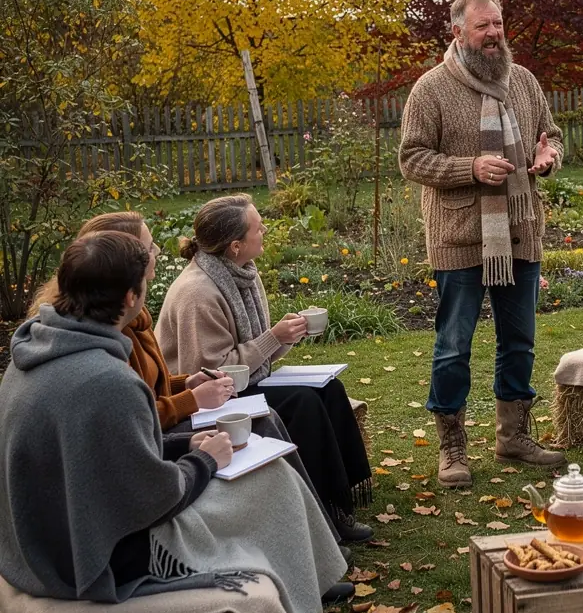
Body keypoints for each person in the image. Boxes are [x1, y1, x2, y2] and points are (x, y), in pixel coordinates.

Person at [0, 231, 382, 613]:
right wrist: (205, 460)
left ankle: (307, 586)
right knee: (268, 481)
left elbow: (102, 455)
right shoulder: (106, 378)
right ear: (130, 296)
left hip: (51, 538)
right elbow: (154, 497)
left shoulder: (33, 354)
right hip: (96, 556)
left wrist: (185, 446)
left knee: (261, 463)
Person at [30, 211, 358, 570]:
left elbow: (136, 404)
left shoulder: (93, 336)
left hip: (153, 448)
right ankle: (314, 549)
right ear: (127, 287)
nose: (156, 252)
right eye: (149, 248)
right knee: (279, 433)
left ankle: (328, 524)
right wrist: (198, 445)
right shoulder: (109, 357)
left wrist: (185, 387)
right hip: (109, 543)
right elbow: (145, 470)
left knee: (313, 398)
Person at [398, 0, 565, 487]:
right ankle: (452, 446)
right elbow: (411, 159)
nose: (494, 34)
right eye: (482, 27)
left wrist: (548, 156)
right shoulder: (430, 90)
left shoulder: (524, 82)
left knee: (520, 342)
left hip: (520, 232)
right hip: (460, 237)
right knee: (453, 345)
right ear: (457, 33)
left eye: (498, 24)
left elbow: (551, 134)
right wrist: (469, 167)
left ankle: (513, 436)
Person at [156, 195, 374, 544]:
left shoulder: (241, 273)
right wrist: (272, 338)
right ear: (235, 245)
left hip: (242, 383)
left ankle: (341, 500)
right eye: (259, 227)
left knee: (329, 390)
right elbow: (213, 373)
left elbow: (256, 350)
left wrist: (284, 337)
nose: (265, 230)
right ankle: (321, 513)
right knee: (304, 404)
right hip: (203, 399)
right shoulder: (198, 292)